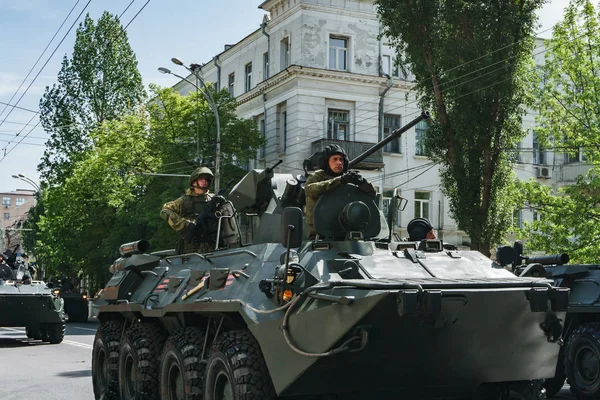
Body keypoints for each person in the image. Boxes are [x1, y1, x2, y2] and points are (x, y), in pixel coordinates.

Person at [304, 144, 376, 238]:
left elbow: (372, 194)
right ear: (326, 162)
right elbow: (310, 190)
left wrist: (362, 182)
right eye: (334, 159)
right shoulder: (316, 177)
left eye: (341, 159)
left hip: (349, 232)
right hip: (321, 234)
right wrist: (340, 181)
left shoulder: (349, 177)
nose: (339, 163)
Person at [160, 166, 225, 254]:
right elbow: (165, 211)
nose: (204, 181)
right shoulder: (184, 201)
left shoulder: (214, 200)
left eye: (206, 179)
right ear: (194, 182)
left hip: (213, 246)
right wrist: (185, 224)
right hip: (191, 248)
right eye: (201, 179)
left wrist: (222, 203)